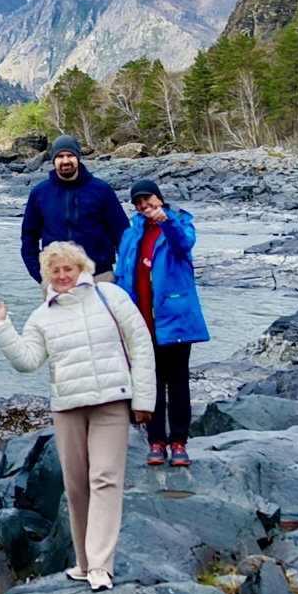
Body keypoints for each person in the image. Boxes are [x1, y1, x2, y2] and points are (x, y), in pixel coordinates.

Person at [0, 241, 154, 591]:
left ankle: (102, 566)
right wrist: (1, 327)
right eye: (55, 271)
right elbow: (27, 361)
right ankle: (85, 562)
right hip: (67, 408)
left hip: (111, 402)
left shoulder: (111, 297)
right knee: (76, 488)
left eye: (67, 269)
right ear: (47, 276)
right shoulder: (42, 316)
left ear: (82, 269)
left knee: (105, 480)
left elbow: (140, 343)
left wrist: (144, 399)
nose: (62, 276)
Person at [111, 179, 209, 468]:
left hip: (174, 317)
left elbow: (183, 245)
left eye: (147, 199)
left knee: (178, 381)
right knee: (149, 382)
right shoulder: (131, 233)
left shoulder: (180, 223)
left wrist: (167, 221)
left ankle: (179, 441)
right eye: (138, 202)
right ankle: (156, 441)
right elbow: (122, 272)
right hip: (141, 318)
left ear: (159, 198)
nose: (144, 206)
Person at [20, 134, 128, 285]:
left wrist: (124, 273)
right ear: (53, 160)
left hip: (99, 276)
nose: (65, 161)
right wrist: (41, 275)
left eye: (70, 155)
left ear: (78, 157)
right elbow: (29, 238)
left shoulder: (101, 190)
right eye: (60, 156)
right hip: (57, 279)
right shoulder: (40, 193)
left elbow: (122, 235)